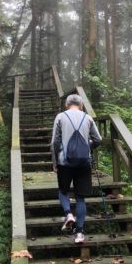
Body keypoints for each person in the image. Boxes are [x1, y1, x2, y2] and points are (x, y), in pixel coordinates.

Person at [50, 94, 102, 244]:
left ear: (67, 104)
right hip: (84, 163)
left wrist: (55, 161)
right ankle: (79, 233)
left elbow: (54, 142)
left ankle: (68, 214)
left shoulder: (60, 117)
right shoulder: (88, 118)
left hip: (64, 162)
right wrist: (87, 147)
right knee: (81, 198)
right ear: (81, 105)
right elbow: (98, 139)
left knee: (63, 191)